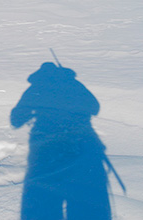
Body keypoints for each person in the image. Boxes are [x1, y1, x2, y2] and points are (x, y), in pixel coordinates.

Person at [11, 62, 111, 220]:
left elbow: (16, 120)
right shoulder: (75, 85)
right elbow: (94, 108)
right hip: (79, 146)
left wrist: (35, 110)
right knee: (80, 198)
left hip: (46, 150)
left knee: (46, 199)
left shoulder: (36, 89)